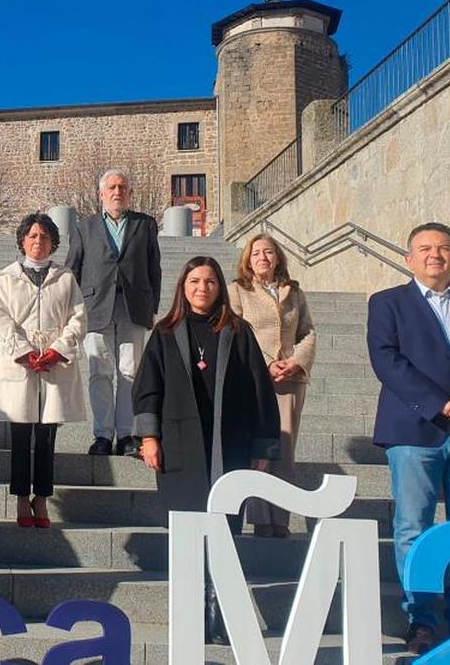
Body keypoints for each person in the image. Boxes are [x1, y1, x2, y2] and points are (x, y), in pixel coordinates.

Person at [132, 256, 279, 644]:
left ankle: (222, 612)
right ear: (183, 286)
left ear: (220, 288)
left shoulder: (238, 331)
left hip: (229, 447)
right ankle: (192, 614)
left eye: (210, 281)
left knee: (226, 531)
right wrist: (149, 438)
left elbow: (260, 392)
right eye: (195, 281)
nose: (202, 288)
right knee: (186, 534)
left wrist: (262, 445)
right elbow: (148, 389)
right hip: (179, 451)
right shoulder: (165, 333)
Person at [366, 222, 450, 656]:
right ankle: (422, 619)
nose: (435, 254)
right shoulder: (387, 303)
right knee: (413, 528)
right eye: (425, 248)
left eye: (444, 248)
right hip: (414, 432)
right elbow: (386, 360)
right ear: (409, 258)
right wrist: (440, 404)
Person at [0, 214, 87, 528]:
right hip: (21, 364)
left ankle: (41, 498)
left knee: (46, 437)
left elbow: (78, 318)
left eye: (43, 236)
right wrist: (24, 352)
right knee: (19, 436)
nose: (38, 241)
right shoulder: (7, 277)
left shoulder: (66, 278)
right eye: (32, 236)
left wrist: (59, 348)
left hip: (53, 364)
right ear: (22, 241)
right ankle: (19, 499)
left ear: (53, 242)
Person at [65, 169, 162, 458]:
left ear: (129, 193)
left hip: (133, 308)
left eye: (122, 187)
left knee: (130, 372)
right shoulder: (85, 227)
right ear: (101, 194)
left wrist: (152, 307)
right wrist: (71, 310)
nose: (117, 192)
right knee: (100, 373)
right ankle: (103, 435)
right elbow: (73, 269)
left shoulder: (145, 225)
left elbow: (153, 268)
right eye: (112, 187)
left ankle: (127, 435)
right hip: (96, 308)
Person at [227, 233, 316, 538]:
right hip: (254, 380)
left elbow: (308, 332)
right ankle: (260, 518)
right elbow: (235, 330)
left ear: (278, 257)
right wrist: (266, 364)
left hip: (289, 380)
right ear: (247, 260)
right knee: (259, 449)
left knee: (285, 450)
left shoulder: (294, 292)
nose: (262, 258)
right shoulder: (238, 291)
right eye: (256, 254)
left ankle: (280, 519)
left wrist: (295, 361)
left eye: (268, 252)